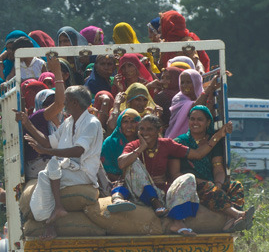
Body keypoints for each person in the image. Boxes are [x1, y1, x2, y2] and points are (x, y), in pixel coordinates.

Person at [16, 86, 103, 240]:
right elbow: (48, 142)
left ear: (75, 103)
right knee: (44, 174)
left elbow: (78, 151)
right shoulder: (69, 122)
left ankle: (51, 221)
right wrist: (27, 124)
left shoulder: (91, 123)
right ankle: (56, 210)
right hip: (67, 170)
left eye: (67, 102)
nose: (64, 105)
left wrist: (47, 152)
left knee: (49, 171)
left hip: (83, 173)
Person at [172, 105, 254, 231]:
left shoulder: (213, 143)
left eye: (200, 119)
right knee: (208, 187)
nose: (195, 122)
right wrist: (200, 182)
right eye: (192, 119)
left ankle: (231, 221)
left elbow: (218, 169)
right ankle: (238, 214)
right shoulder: (179, 142)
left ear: (208, 122)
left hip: (211, 183)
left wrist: (218, 185)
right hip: (191, 185)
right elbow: (174, 174)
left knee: (235, 185)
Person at [117, 114, 203, 234]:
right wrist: (141, 147)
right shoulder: (134, 145)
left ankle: (178, 222)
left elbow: (197, 154)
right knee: (133, 162)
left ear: (159, 130)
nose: (144, 132)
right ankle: (154, 202)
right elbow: (121, 163)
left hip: (162, 192)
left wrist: (217, 136)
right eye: (142, 129)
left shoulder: (166, 144)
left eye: (149, 129)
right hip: (140, 193)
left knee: (189, 177)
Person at [100, 108, 142, 210]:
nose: (129, 126)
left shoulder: (143, 142)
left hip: (139, 181)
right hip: (115, 182)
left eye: (133, 122)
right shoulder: (110, 142)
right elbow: (106, 169)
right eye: (125, 122)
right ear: (120, 124)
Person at [166, 67, 217, 140]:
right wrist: (210, 87)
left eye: (188, 82)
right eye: (182, 82)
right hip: (178, 140)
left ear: (196, 83)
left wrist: (211, 91)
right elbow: (194, 108)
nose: (184, 85)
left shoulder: (203, 96)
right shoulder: (178, 98)